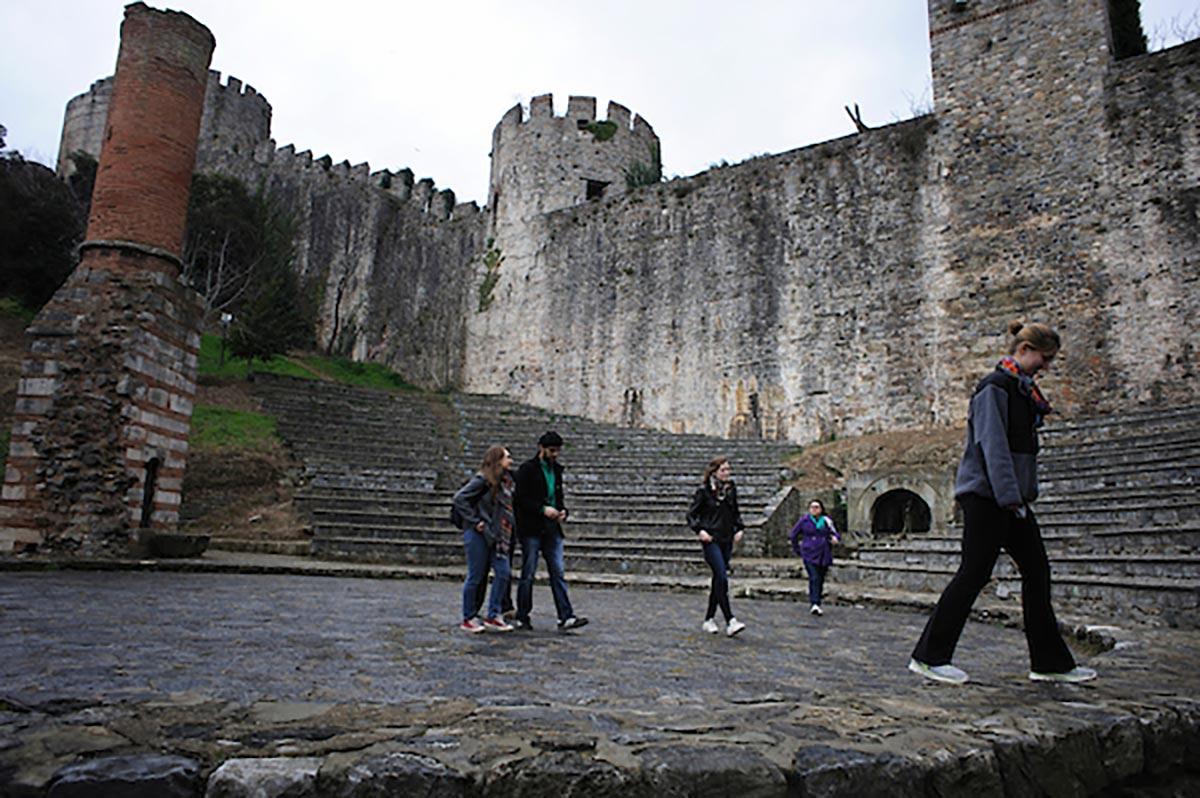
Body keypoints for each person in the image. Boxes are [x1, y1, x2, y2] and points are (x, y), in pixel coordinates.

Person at [909, 320, 1097, 685]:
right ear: (1024, 350)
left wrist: (1018, 495)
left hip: (1008, 497)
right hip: (987, 496)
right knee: (974, 573)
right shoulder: (994, 388)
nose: (1047, 367)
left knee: (1037, 570)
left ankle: (1049, 662)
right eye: (1044, 358)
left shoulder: (1021, 391)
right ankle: (929, 656)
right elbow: (992, 445)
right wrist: (1010, 496)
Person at [513, 431, 588, 631]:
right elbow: (520, 499)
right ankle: (522, 615)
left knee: (558, 572)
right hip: (531, 529)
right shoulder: (527, 469)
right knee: (528, 573)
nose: (555, 454)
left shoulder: (557, 471)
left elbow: (558, 497)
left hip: (552, 528)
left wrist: (563, 511)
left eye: (558, 451)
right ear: (541, 448)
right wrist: (541, 509)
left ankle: (565, 615)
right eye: (552, 450)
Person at [453, 445, 516, 634]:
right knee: (475, 576)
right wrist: (475, 522)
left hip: (497, 535)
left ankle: (494, 614)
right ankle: (468, 617)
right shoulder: (482, 480)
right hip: (478, 534)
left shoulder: (505, 482)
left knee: (503, 572)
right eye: (507, 457)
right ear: (498, 460)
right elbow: (459, 499)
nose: (511, 461)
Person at [687, 457, 747, 637]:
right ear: (714, 472)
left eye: (729, 470)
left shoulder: (730, 490)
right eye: (723, 470)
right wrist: (700, 530)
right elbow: (691, 515)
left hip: (726, 538)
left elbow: (735, 511)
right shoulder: (704, 491)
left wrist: (739, 528)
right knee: (721, 575)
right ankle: (730, 620)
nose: (727, 473)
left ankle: (709, 619)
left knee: (718, 580)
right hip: (710, 539)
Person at [789, 498, 840, 616]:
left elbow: (834, 533)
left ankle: (818, 600)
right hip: (809, 553)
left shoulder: (826, 521)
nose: (814, 509)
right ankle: (814, 603)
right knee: (814, 577)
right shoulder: (804, 521)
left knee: (821, 578)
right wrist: (798, 549)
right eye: (812, 507)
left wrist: (835, 538)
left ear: (821, 509)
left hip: (824, 553)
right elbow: (793, 535)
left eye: (817, 507)